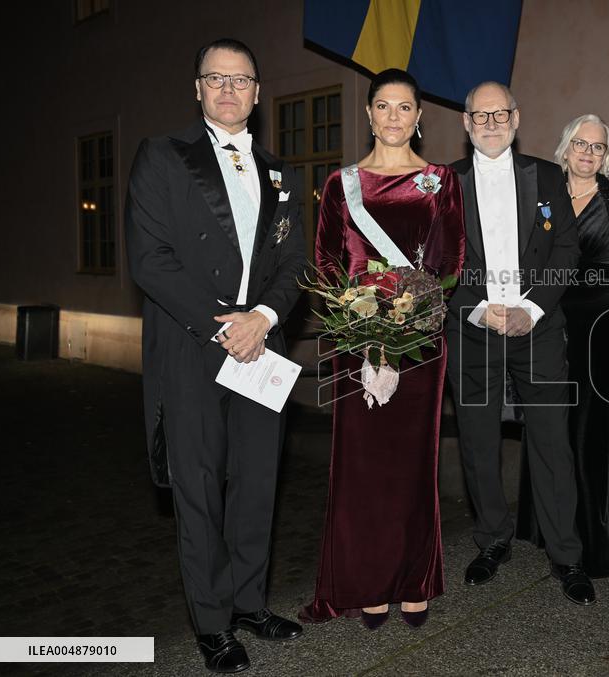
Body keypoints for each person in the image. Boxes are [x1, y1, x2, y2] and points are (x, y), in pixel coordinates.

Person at [125, 38, 307, 673]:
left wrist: (263, 318)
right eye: (216, 79)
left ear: (258, 93)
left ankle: (249, 603)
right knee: (199, 487)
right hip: (191, 344)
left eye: (242, 80)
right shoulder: (161, 156)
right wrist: (222, 325)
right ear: (197, 89)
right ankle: (210, 622)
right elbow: (149, 261)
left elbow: (295, 264)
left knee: (257, 482)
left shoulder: (285, 174)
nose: (229, 90)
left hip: (263, 345)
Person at [300, 69, 465, 630]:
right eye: (383, 106)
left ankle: (413, 578)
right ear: (368, 114)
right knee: (364, 466)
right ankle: (370, 580)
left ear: (420, 118)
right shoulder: (341, 183)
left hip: (418, 341)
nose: (393, 116)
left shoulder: (441, 181)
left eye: (404, 107)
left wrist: (414, 310)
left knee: (414, 465)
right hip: (354, 340)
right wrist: (356, 316)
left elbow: (451, 260)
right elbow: (325, 260)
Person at [446, 82, 596, 606]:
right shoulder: (445, 182)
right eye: (479, 115)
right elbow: (436, 260)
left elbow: (567, 247)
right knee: (480, 442)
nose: (490, 123)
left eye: (500, 113)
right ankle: (492, 540)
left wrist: (532, 309)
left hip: (540, 328)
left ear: (516, 117)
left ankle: (567, 553)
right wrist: (480, 308)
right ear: (466, 123)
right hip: (472, 331)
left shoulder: (548, 175)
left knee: (552, 442)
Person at [516, 114, 609, 578]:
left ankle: (599, 534)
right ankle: (551, 526)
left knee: (596, 434)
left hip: (606, 331)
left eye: (597, 147)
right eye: (580, 143)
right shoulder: (542, 196)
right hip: (548, 325)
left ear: (606, 156)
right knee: (550, 428)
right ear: (565, 147)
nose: (587, 152)